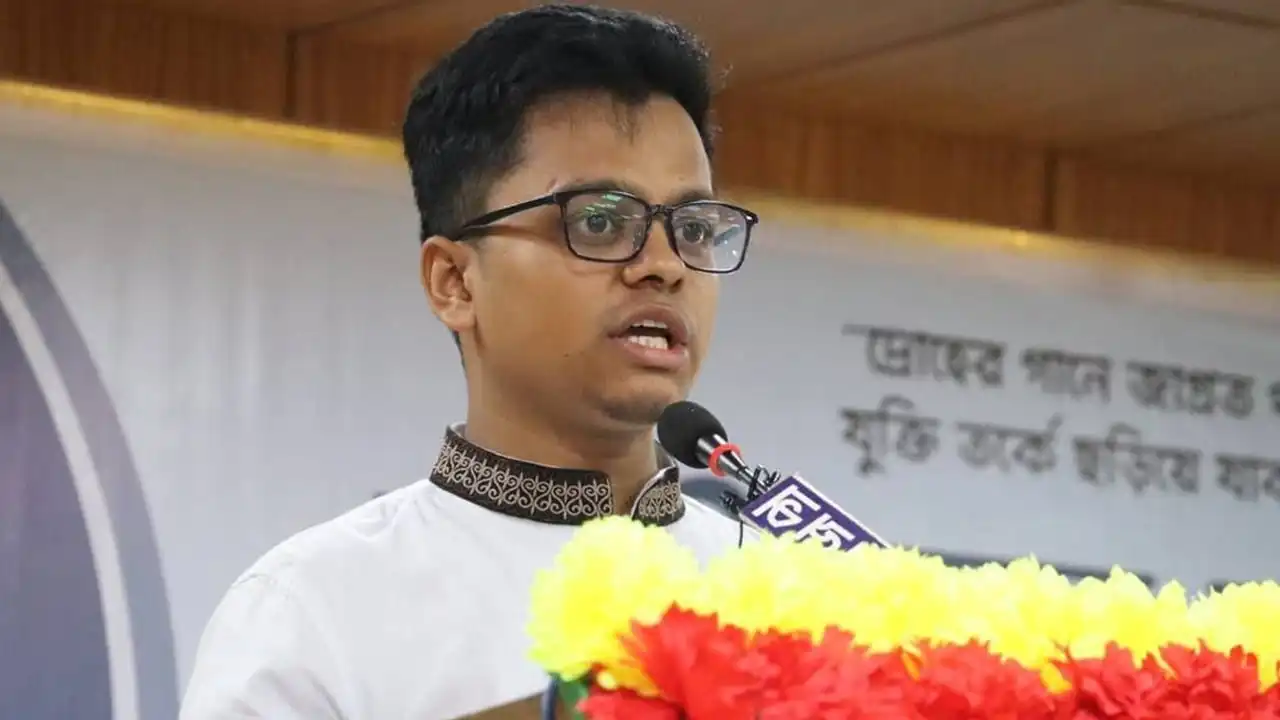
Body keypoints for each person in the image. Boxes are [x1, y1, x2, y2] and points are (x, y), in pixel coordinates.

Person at [179, 4, 760, 718]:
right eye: (600, 221)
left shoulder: (790, 596)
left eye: (694, 228)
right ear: (454, 282)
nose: (665, 265)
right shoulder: (314, 610)